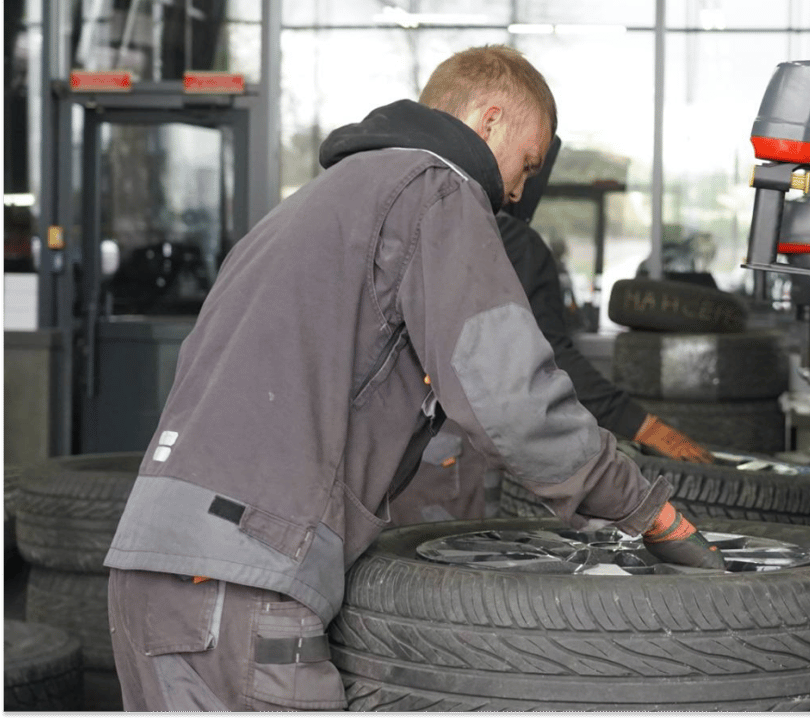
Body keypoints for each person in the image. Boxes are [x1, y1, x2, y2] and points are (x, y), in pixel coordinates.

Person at [102, 45, 724, 712]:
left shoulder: (308, 207)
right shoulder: (436, 191)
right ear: (489, 123)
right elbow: (513, 401)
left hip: (156, 569)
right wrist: (646, 510)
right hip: (242, 583)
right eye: (529, 164)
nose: (517, 191)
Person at [390, 134, 713, 524]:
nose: (524, 187)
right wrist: (643, 426)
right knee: (463, 575)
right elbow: (550, 359)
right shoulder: (513, 241)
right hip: (460, 455)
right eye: (528, 167)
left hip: (401, 454)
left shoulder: (410, 218)